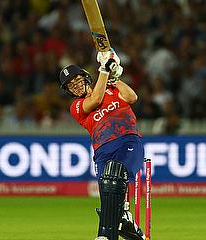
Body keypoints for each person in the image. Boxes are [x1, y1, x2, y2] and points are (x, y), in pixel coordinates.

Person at [58, 49, 145, 240]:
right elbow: (96, 99)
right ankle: (126, 223)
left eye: (76, 79)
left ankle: (104, 235)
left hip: (127, 140)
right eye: (70, 85)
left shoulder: (111, 88)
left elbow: (132, 98)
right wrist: (105, 69)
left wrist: (115, 77)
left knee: (114, 175)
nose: (75, 85)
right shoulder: (77, 107)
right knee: (109, 190)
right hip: (103, 151)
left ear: (85, 77)